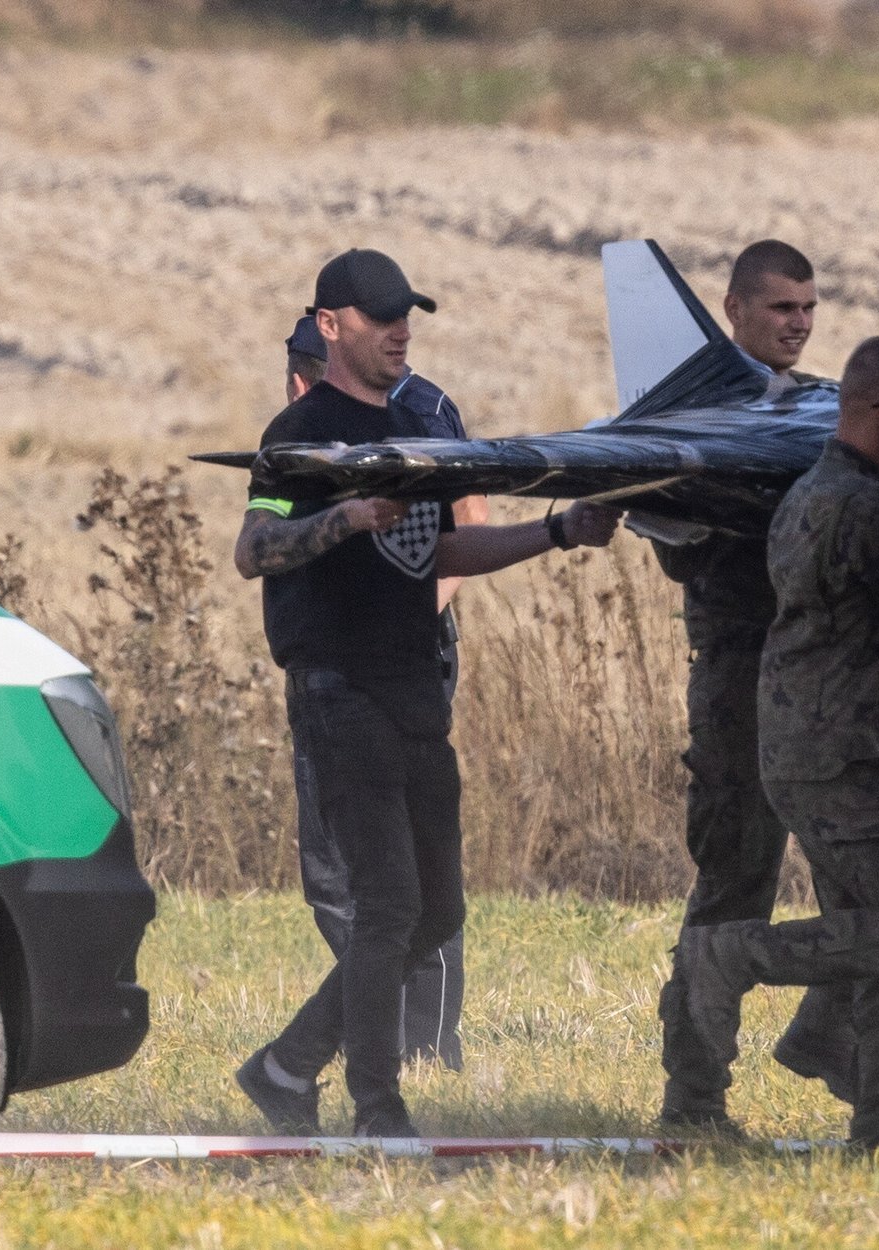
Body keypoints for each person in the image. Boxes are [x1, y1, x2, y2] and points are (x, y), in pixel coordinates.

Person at [234, 248, 620, 1137]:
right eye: (380, 317)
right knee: (390, 905)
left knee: (437, 907)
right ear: (331, 327)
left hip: (414, 688)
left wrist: (558, 530)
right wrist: (341, 517)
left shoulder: (419, 427)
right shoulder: (300, 439)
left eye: (407, 313)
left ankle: (286, 1066)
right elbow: (254, 550)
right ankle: (379, 1106)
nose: (401, 330)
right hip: (337, 689)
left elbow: (439, 554)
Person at [671, 335, 879, 1151]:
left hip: (848, 734)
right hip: (832, 749)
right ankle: (735, 957)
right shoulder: (861, 509)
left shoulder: (813, 491)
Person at [651, 240, 843, 1133]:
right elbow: (666, 537)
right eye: (780, 309)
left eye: (807, 309)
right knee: (738, 879)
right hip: (739, 677)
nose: (798, 324)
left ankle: (828, 1029)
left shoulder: (815, 409)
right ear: (732, 309)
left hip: (830, 672)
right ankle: (693, 1100)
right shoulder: (702, 419)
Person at [284, 314, 484, 1072]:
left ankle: (424, 1046)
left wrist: (396, 622)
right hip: (329, 665)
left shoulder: (425, 413)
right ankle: (372, 1036)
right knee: (334, 873)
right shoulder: (304, 431)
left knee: (413, 874)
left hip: (403, 665)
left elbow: (470, 526)